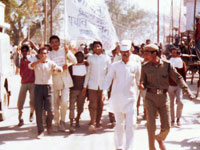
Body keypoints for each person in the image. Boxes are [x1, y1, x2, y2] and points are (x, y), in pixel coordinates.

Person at [139, 44, 194, 150]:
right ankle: (152, 148)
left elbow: (178, 78)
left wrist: (187, 91)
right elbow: (143, 82)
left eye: (146, 53)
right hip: (150, 98)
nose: (144, 55)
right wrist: (141, 85)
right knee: (151, 126)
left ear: (154, 54)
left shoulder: (167, 65)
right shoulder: (144, 67)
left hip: (164, 98)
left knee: (167, 127)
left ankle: (159, 138)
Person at [103, 40, 141, 150]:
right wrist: (105, 92)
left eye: (127, 51)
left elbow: (139, 82)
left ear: (131, 51)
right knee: (119, 124)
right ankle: (119, 146)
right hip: (117, 99)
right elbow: (108, 80)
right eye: (123, 51)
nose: (125, 54)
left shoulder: (136, 65)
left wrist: (139, 97)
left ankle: (128, 147)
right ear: (120, 51)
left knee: (130, 125)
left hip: (131, 98)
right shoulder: (114, 66)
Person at [29, 47, 62, 138]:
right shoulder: (36, 63)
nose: (44, 55)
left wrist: (57, 69)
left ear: (47, 54)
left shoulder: (50, 63)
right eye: (42, 53)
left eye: (45, 53)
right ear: (39, 54)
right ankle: (40, 131)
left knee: (50, 110)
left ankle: (49, 125)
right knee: (39, 110)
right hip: (38, 87)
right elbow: (30, 66)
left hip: (48, 87)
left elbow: (59, 68)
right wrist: (39, 61)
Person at [48, 35, 77, 131]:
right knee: (55, 103)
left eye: (56, 42)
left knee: (64, 102)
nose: (55, 44)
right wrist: (58, 70)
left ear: (59, 42)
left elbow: (74, 61)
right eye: (53, 42)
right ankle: (56, 122)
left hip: (65, 80)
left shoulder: (64, 51)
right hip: (55, 80)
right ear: (50, 44)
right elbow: (49, 69)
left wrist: (68, 53)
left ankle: (63, 121)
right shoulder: (49, 54)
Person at [82, 41, 111, 132]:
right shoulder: (90, 58)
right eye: (95, 47)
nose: (97, 48)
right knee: (92, 104)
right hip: (92, 85)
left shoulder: (107, 58)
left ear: (102, 48)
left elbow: (109, 73)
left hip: (103, 85)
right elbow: (88, 72)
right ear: (93, 49)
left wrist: (108, 86)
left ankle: (98, 121)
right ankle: (93, 122)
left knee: (100, 104)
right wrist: (85, 86)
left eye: (99, 46)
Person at [15, 44, 36, 126]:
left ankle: (31, 113)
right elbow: (17, 64)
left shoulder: (32, 59)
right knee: (20, 103)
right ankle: (20, 118)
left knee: (32, 101)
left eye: (26, 51)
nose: (24, 52)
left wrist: (34, 46)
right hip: (24, 83)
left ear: (28, 51)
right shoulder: (20, 60)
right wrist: (17, 54)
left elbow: (39, 55)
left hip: (32, 82)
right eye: (23, 51)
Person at [168, 47, 187, 126]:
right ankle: (172, 120)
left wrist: (184, 86)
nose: (174, 54)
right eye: (173, 52)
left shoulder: (181, 62)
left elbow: (184, 75)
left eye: (176, 52)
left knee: (180, 102)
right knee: (171, 103)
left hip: (178, 85)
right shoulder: (168, 62)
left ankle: (178, 118)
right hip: (170, 85)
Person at [68, 51, 87, 130]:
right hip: (73, 90)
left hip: (82, 90)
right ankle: (71, 122)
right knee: (72, 107)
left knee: (80, 107)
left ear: (83, 58)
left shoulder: (86, 67)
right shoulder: (71, 67)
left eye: (81, 56)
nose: (79, 58)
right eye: (77, 56)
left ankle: (78, 119)